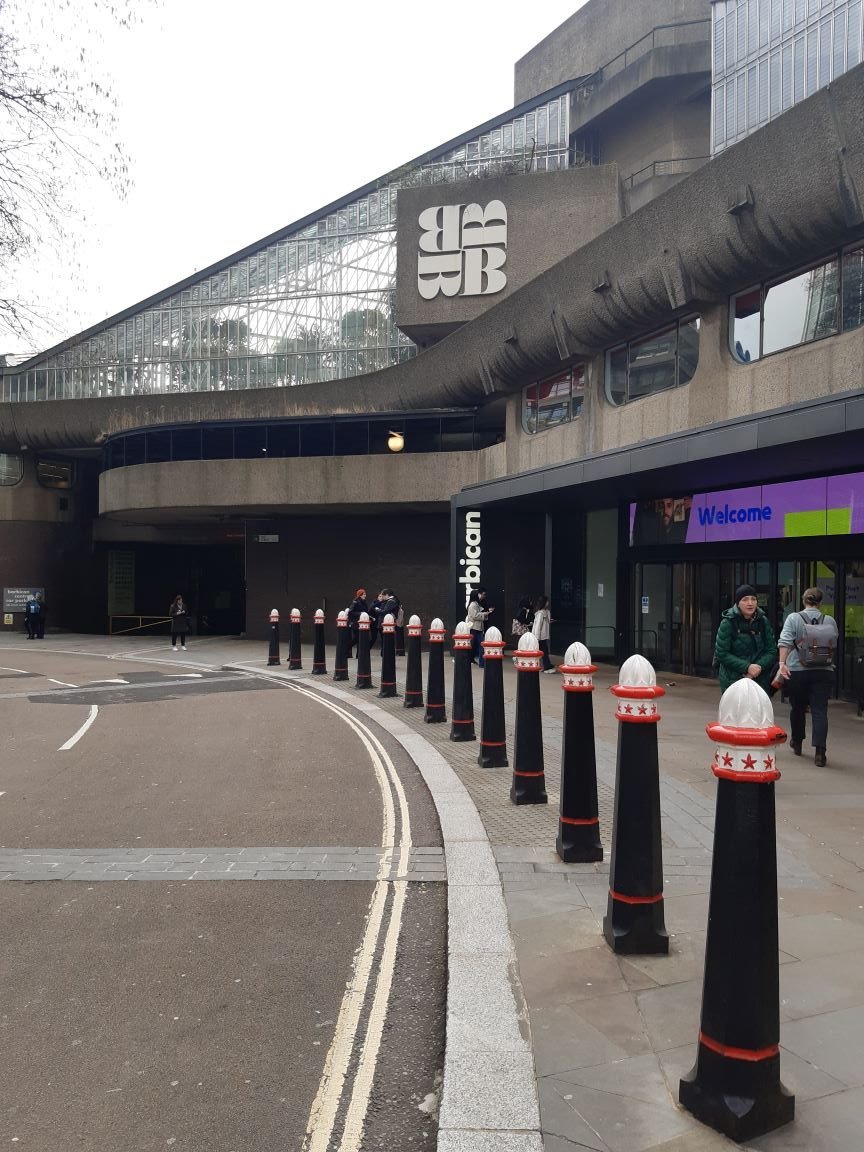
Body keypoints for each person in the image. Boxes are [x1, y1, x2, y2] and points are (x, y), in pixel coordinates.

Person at [776, 587, 839, 767]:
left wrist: (782, 664)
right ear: (820, 603)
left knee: (797, 708)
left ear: (804, 601)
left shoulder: (793, 618)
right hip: (824, 671)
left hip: (798, 670)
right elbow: (833, 643)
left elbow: (785, 642)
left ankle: (797, 742)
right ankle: (820, 752)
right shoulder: (830, 620)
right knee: (820, 711)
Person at [713, 584, 777, 695]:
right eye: (745, 599)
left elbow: (771, 651)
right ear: (738, 603)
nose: (750, 603)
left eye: (753, 599)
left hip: (759, 679)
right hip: (733, 680)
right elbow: (721, 653)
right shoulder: (728, 622)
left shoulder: (763, 621)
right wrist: (747, 667)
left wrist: (758, 667)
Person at [466, 587, 493, 666]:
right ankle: (480, 662)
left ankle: (481, 662)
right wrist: (485, 614)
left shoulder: (475, 604)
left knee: (478, 645)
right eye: (478, 594)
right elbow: (475, 616)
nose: (480, 596)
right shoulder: (473, 605)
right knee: (478, 645)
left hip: (477, 627)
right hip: (474, 627)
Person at [533, 595, 554, 672]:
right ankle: (546, 666)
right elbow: (538, 626)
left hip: (543, 636)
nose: (548, 603)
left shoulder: (546, 612)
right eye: (547, 601)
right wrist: (537, 637)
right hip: (540, 637)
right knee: (544, 651)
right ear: (544, 602)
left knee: (544, 651)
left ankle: (546, 665)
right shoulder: (540, 613)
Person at [346, 588, 369, 657]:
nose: (365, 595)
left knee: (360, 639)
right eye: (364, 594)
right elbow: (350, 612)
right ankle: (346, 648)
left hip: (362, 622)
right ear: (360, 595)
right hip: (355, 622)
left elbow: (366, 611)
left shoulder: (364, 602)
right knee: (357, 638)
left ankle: (358, 655)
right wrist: (360, 613)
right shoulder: (355, 602)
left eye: (365, 594)